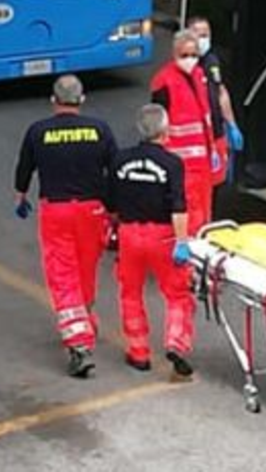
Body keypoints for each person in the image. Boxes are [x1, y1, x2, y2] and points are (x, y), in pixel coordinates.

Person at [14, 75, 117, 378]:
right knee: (86, 270)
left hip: (56, 211)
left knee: (63, 275)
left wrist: (20, 196)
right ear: (82, 99)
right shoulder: (100, 130)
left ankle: (79, 344)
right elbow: (114, 170)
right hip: (93, 211)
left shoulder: (38, 131)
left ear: (53, 100)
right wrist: (113, 211)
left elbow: (24, 169)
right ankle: (86, 319)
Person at [110, 104, 195, 377]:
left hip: (129, 234)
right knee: (178, 295)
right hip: (163, 236)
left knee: (130, 294)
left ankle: (138, 353)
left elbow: (110, 199)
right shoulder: (172, 164)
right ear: (164, 130)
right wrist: (182, 241)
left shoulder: (120, 160)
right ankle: (176, 343)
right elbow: (179, 206)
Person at [150, 30, 217, 234]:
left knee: (204, 213)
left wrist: (213, 148)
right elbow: (157, 122)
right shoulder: (163, 81)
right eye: (184, 55)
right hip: (181, 165)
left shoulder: (199, 75)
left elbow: (206, 114)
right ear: (174, 53)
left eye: (193, 55)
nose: (190, 60)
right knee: (187, 215)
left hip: (203, 164)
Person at [187, 16, 244, 187]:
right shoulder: (186, 64)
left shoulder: (212, 61)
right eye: (199, 34)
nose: (204, 39)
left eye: (206, 35)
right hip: (196, 135)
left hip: (216, 132)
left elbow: (220, 92)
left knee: (216, 181)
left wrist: (232, 124)